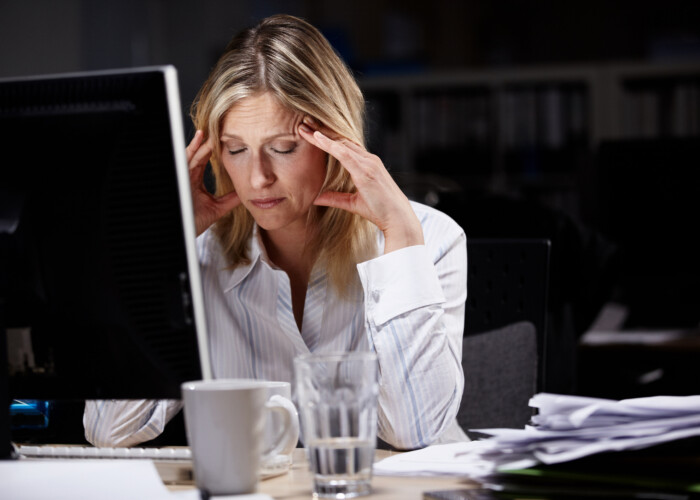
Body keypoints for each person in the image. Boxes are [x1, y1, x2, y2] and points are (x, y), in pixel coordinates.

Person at [83, 14, 467, 450]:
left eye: (283, 148)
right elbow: (110, 431)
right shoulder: (198, 257)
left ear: (336, 140)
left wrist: (399, 238)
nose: (258, 177)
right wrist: (165, 250)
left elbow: (414, 432)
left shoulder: (429, 240)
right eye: (236, 150)